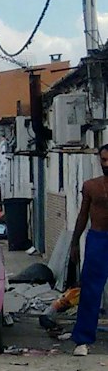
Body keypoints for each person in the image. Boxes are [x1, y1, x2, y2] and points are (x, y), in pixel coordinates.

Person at [67, 144, 108, 356]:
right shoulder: (91, 186)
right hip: (98, 239)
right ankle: (82, 339)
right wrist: (74, 242)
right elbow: (83, 215)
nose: (106, 164)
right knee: (91, 289)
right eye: (103, 160)